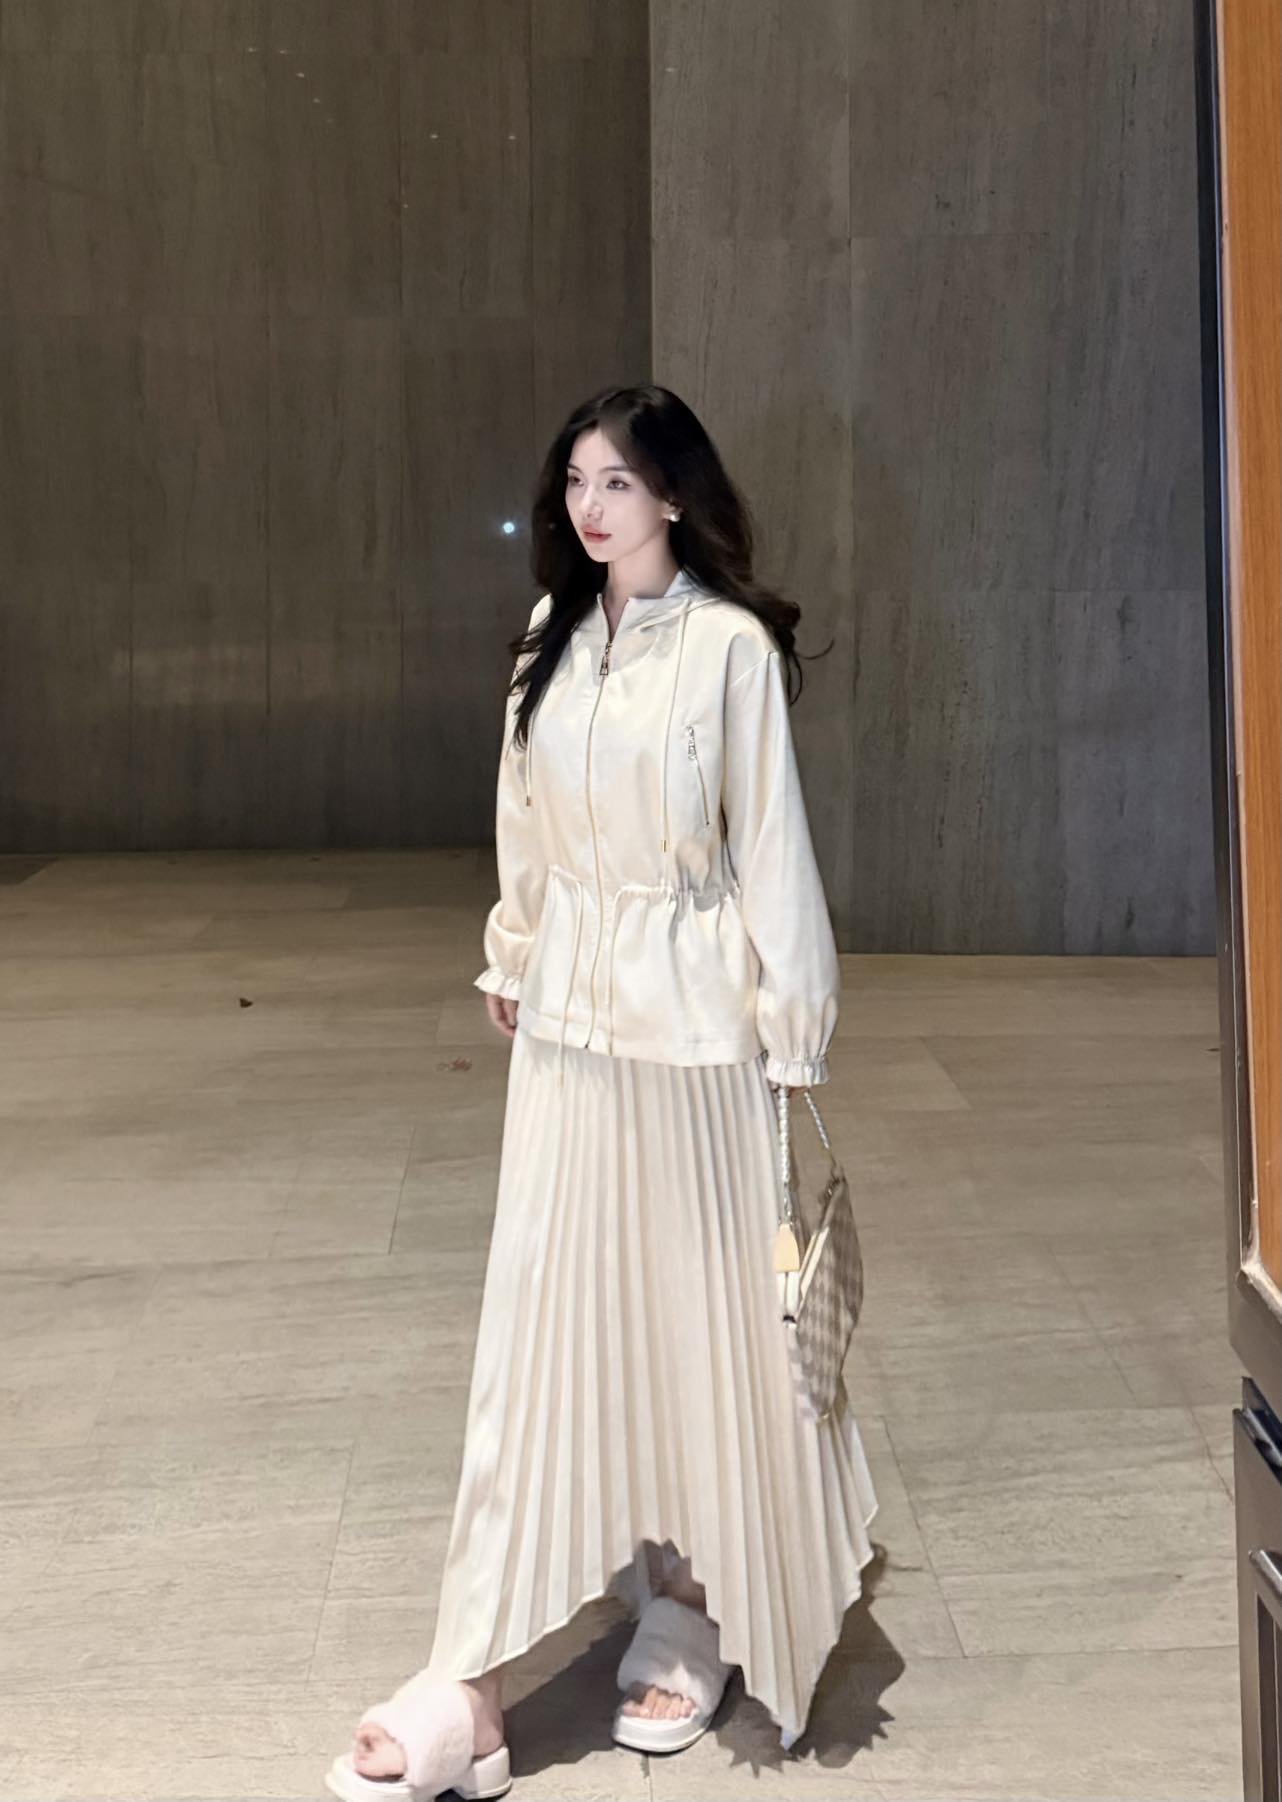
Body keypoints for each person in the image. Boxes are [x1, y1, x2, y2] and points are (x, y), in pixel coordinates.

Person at [325, 383, 878, 1802]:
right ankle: (470, 1674)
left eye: (618, 480)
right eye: (575, 479)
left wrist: (793, 1024)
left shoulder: (729, 647)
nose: (590, 505)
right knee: (541, 1326)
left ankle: (689, 1596)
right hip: (570, 1024)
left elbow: (771, 842)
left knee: (699, 1314)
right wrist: (514, 946)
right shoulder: (551, 634)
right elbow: (520, 813)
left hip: (695, 1034)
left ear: (674, 493)